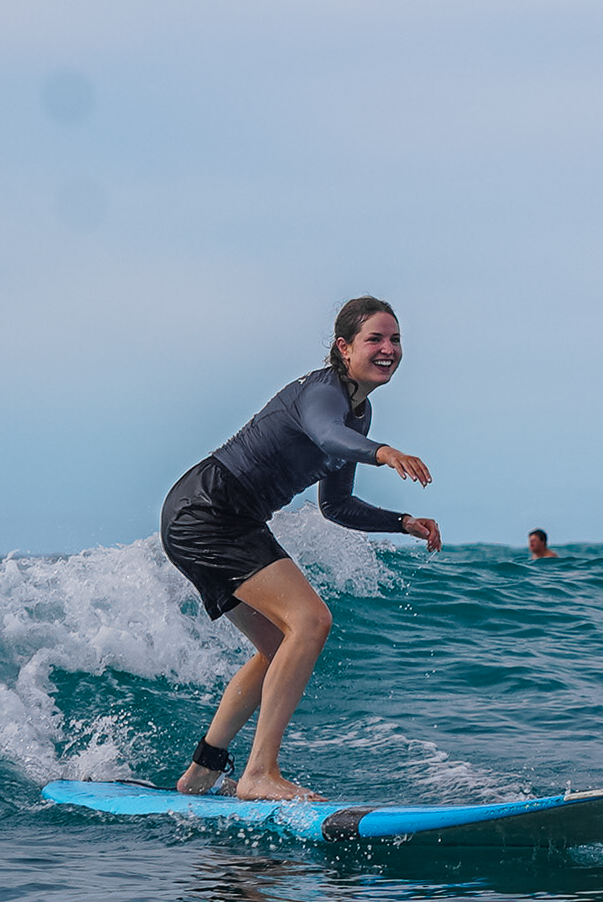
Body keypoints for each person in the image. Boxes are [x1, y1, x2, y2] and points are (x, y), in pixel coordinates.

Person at [163, 297, 442, 801]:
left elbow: (335, 506)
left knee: (278, 645)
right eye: (374, 339)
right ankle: (259, 774)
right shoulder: (322, 394)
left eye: (395, 339)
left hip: (226, 517)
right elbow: (327, 436)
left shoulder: (359, 412)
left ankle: (204, 769)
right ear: (344, 347)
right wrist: (383, 452)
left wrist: (402, 522)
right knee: (311, 621)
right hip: (208, 511)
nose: (388, 349)